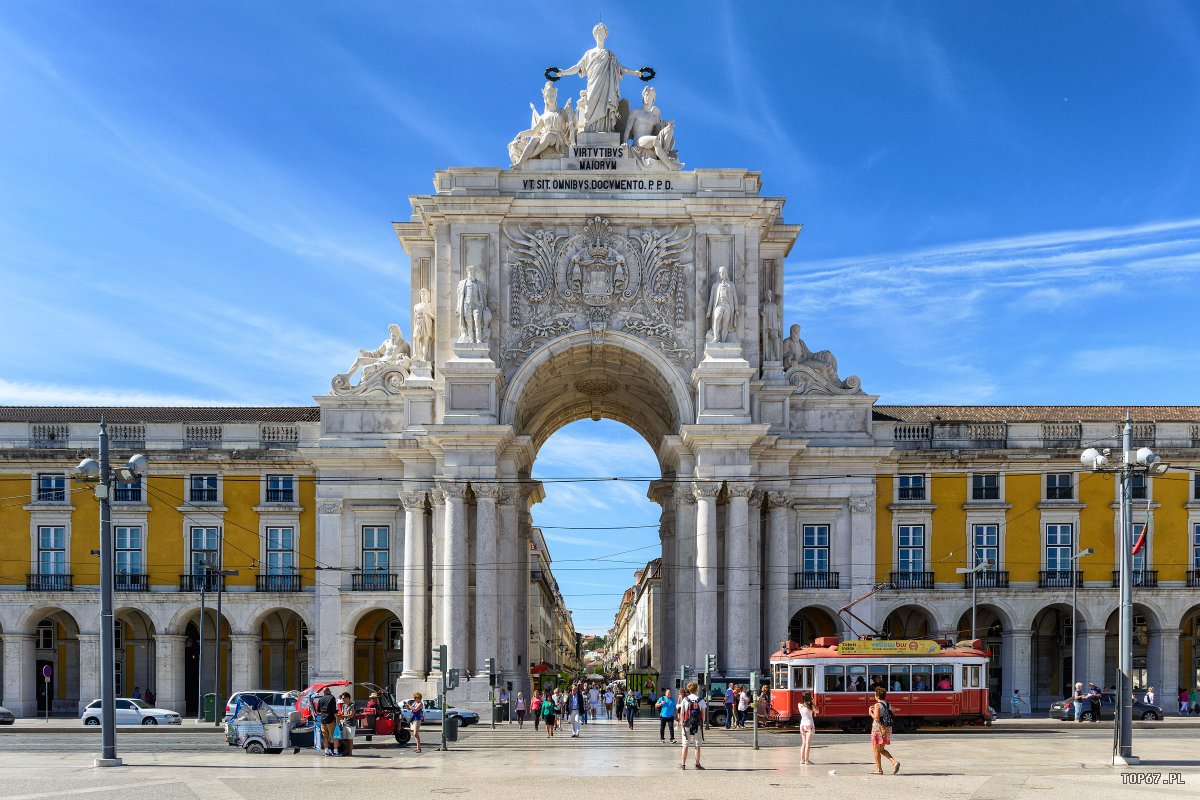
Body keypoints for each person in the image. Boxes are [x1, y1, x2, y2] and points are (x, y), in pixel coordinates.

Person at [869, 686, 900, 774]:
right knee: (881, 749)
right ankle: (894, 762)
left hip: (878, 729)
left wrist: (870, 712)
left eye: (875, 694)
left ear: (877, 696)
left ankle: (879, 769)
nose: (874, 696)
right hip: (887, 729)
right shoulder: (888, 704)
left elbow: (877, 718)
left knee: (875, 749)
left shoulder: (877, 705)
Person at [706, 265, 738, 344]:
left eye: (723, 272)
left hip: (727, 306)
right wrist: (709, 311)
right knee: (716, 319)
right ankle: (716, 338)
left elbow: (735, 298)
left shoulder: (731, 285)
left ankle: (723, 341)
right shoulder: (715, 286)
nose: (722, 274)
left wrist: (737, 309)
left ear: (725, 273)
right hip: (719, 306)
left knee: (725, 325)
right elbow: (711, 299)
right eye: (720, 272)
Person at [679, 681, 706, 770]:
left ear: (689, 690)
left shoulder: (685, 699)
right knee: (697, 745)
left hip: (687, 724)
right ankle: (697, 764)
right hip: (697, 724)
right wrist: (702, 723)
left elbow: (682, 713)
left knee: (685, 744)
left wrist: (682, 722)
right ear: (696, 689)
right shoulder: (701, 700)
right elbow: (703, 714)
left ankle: (683, 764)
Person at [317, 687, 339, 756]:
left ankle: (326, 751)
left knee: (325, 736)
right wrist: (337, 720)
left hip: (323, 720)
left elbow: (318, 710)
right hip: (330, 719)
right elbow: (334, 710)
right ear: (329, 691)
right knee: (335, 736)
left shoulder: (320, 699)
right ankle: (335, 752)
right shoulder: (332, 698)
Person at [798, 691, 817, 765]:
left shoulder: (799, 705)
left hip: (802, 725)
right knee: (808, 744)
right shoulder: (810, 706)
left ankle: (802, 759)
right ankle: (807, 760)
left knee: (803, 743)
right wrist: (813, 702)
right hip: (809, 725)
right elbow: (817, 711)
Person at [336, 692, 356, 756]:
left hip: (351, 725)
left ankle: (350, 753)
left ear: (347, 698)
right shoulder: (344, 705)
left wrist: (342, 716)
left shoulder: (352, 705)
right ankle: (346, 751)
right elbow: (342, 713)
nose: (343, 700)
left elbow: (351, 715)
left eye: (343, 698)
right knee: (345, 739)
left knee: (350, 740)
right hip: (345, 724)